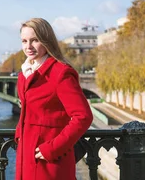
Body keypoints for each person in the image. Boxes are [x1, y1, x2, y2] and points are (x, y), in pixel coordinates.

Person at [14, 18, 93, 180]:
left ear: (46, 40)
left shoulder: (60, 73)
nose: (28, 46)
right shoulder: (24, 74)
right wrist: (19, 135)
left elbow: (83, 116)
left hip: (50, 160)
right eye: (24, 41)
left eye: (34, 40)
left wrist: (53, 148)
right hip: (27, 155)